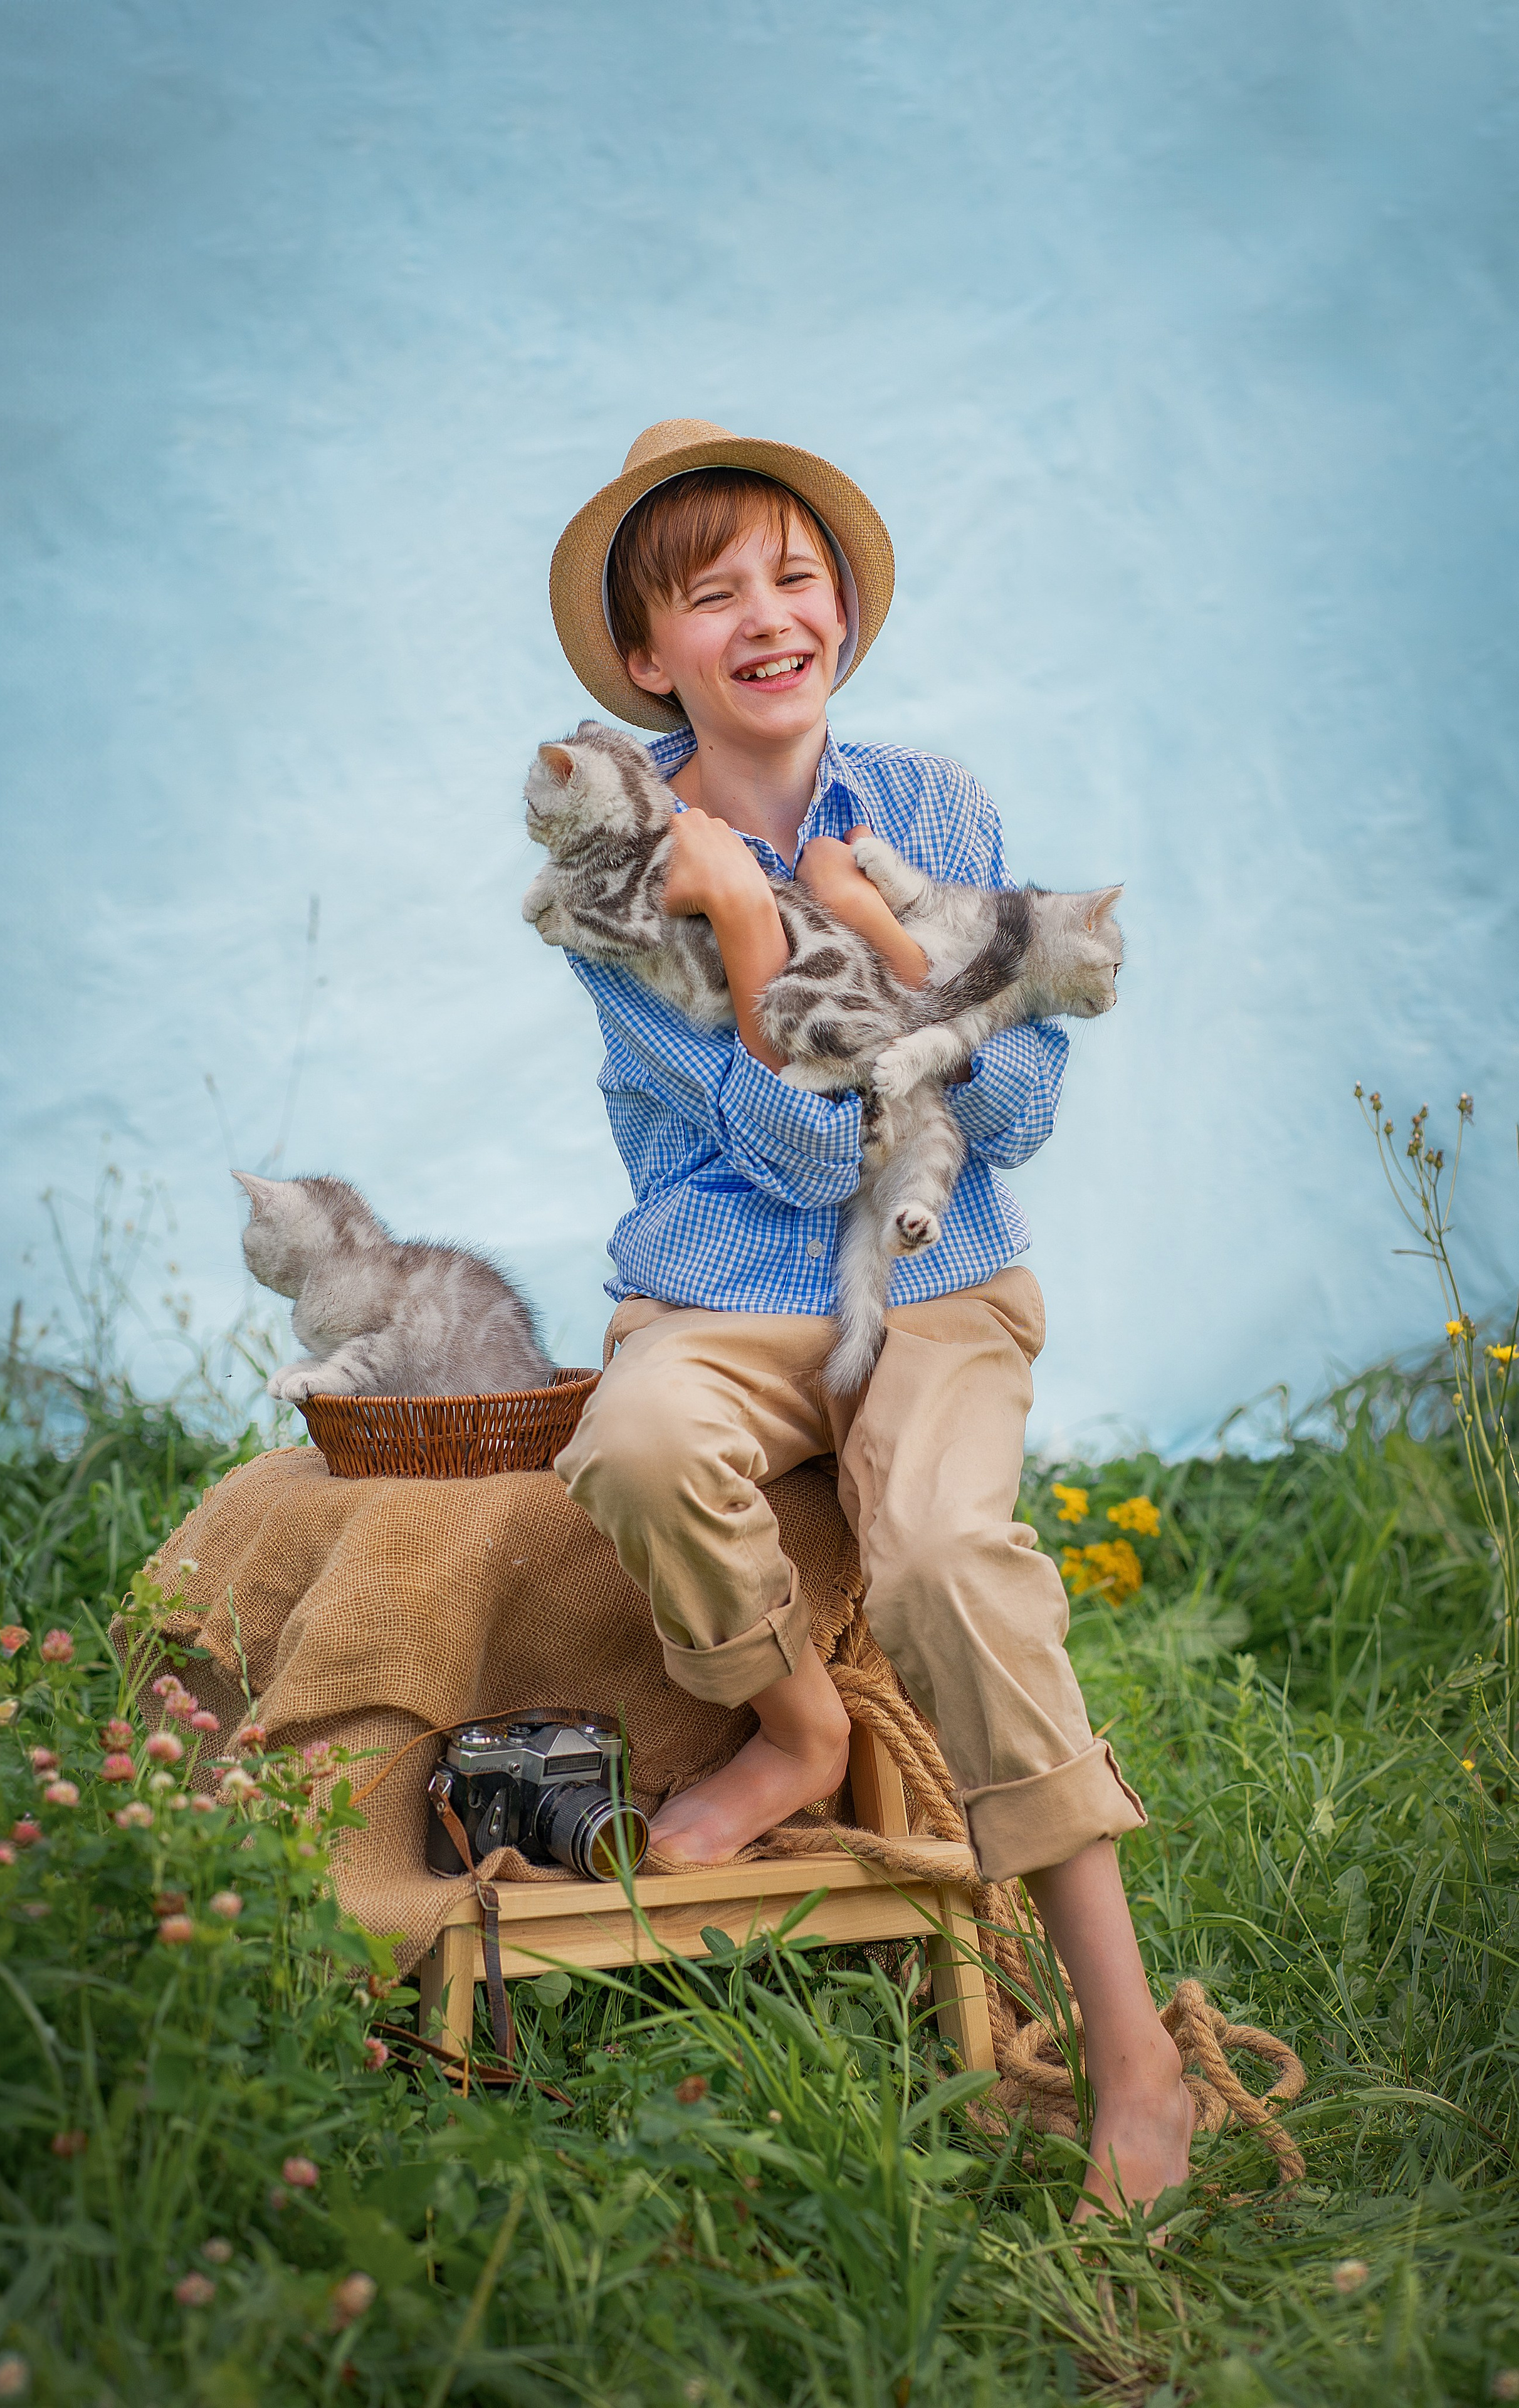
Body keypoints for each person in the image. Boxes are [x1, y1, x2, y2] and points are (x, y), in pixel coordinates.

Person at [545, 419, 1192, 2220]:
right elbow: (782, 1140)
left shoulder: (938, 812)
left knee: (944, 1554)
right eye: (712, 592)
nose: (769, 614)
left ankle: (1130, 2046)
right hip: (726, 1287)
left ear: (842, 610)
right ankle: (798, 1729)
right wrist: (748, 922)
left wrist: (886, 945)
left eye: (796, 576)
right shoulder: (617, 881)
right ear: (646, 657)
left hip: (939, 1281)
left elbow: (1027, 1106)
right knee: (643, 1441)